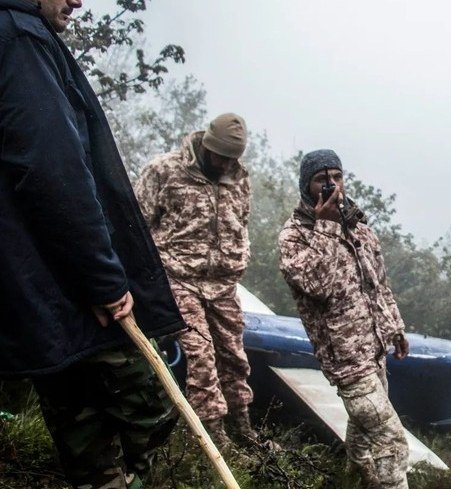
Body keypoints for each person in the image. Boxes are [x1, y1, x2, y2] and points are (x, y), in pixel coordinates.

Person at [0, 0, 184, 487]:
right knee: (147, 414)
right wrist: (102, 278)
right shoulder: (21, 37)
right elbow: (51, 169)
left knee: (84, 432)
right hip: (71, 287)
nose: (79, 1)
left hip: (37, 291)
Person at [279, 149, 410, 489]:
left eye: (337, 177)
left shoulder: (359, 227)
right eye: (322, 180)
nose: (332, 185)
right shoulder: (294, 236)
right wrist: (326, 226)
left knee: (365, 435)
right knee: (390, 440)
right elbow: (317, 286)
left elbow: (378, 283)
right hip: (346, 359)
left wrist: (394, 328)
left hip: (374, 348)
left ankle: (350, 480)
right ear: (306, 186)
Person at [135, 113, 258, 446]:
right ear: (206, 144)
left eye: (233, 158)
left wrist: (239, 257)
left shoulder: (238, 178)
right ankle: (213, 438)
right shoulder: (164, 171)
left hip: (223, 286)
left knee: (234, 358)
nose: (225, 163)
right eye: (220, 155)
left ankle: (241, 428)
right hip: (178, 278)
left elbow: (241, 223)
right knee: (199, 356)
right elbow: (136, 226)